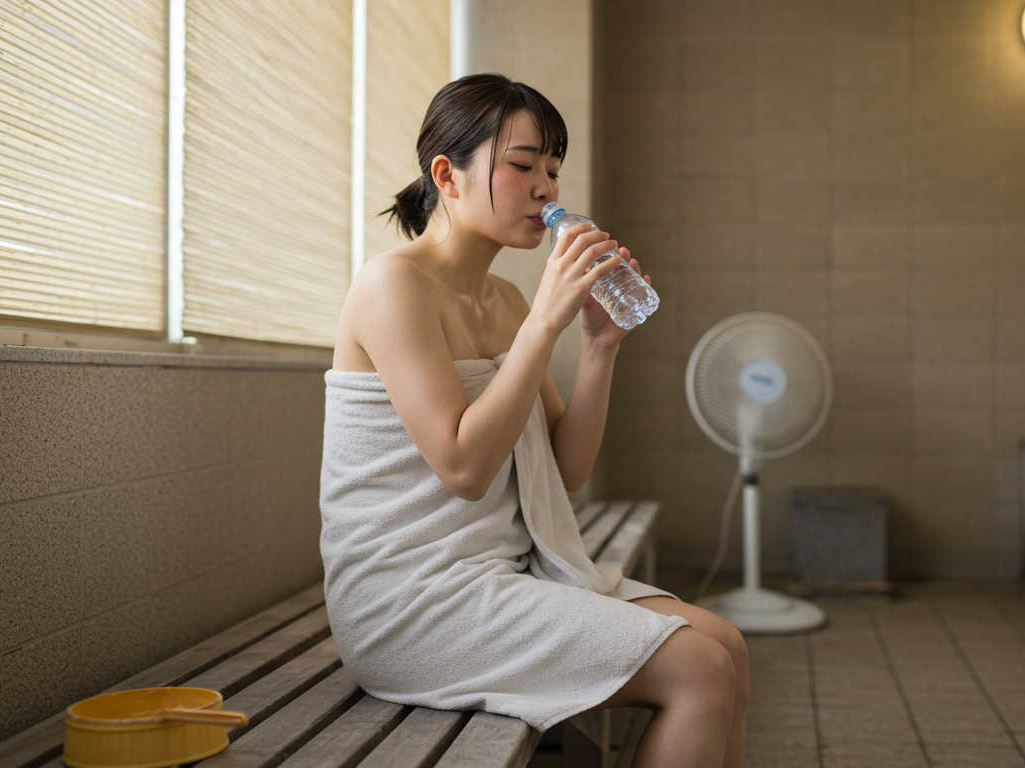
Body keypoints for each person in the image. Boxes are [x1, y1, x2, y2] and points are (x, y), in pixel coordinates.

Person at [319, 73, 749, 768]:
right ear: (447, 176)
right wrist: (546, 322)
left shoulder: (507, 301)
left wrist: (600, 347)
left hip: (507, 574)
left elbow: (567, 467)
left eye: (553, 169)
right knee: (697, 669)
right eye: (522, 166)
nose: (547, 188)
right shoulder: (390, 285)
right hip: (411, 602)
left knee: (726, 646)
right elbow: (463, 469)